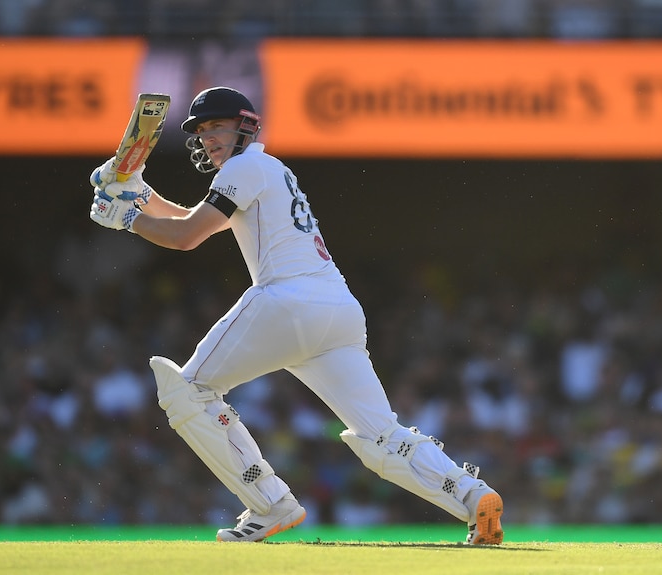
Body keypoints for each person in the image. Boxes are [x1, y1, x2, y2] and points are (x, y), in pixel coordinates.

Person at [87, 86, 504, 544]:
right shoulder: (268, 170)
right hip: (339, 311)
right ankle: (472, 497)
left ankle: (270, 505)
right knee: (380, 434)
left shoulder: (243, 168)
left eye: (216, 127)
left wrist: (123, 218)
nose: (207, 138)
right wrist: (138, 194)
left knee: (189, 392)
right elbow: (192, 217)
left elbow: (186, 237)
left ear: (245, 126)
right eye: (202, 131)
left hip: (287, 301)